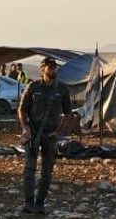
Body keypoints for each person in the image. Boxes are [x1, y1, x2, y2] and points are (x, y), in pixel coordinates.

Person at [18, 57, 72, 214]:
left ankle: (40, 203)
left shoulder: (61, 89)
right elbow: (21, 110)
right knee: (29, 169)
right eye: (50, 68)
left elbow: (69, 114)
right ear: (42, 69)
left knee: (47, 171)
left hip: (50, 135)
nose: (54, 70)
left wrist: (60, 132)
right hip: (33, 134)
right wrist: (25, 128)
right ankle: (29, 203)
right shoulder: (33, 87)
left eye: (55, 67)